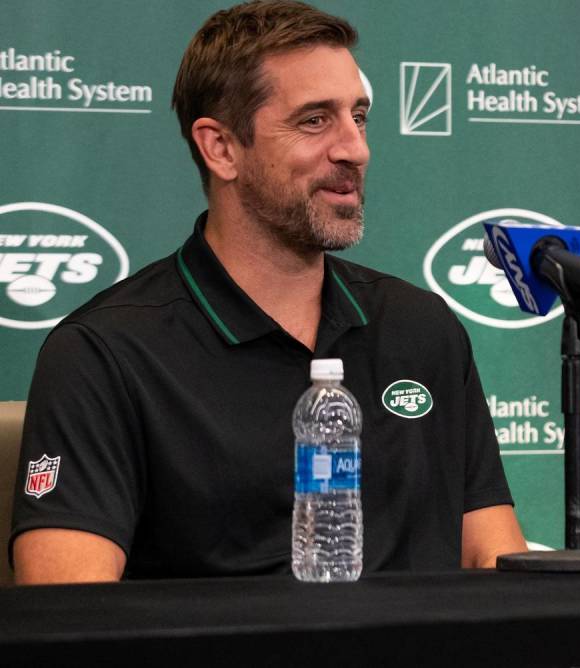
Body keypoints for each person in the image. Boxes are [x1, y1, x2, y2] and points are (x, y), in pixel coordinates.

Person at [9, 0, 526, 584]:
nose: (354, 148)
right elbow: (71, 613)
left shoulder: (422, 326)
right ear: (221, 148)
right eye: (314, 120)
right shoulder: (104, 353)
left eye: (358, 116)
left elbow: (491, 559)